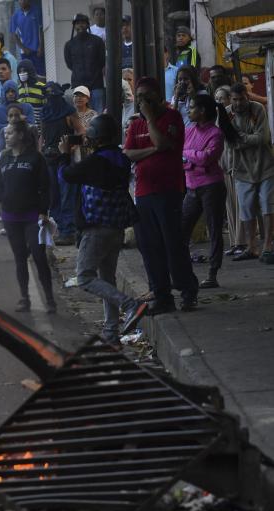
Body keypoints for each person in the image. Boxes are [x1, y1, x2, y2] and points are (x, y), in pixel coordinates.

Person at [58, 114, 146, 344]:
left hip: (96, 228)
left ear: (96, 137)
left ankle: (130, 304)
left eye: (90, 133)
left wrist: (64, 153)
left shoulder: (97, 162)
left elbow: (66, 175)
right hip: (115, 226)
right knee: (107, 278)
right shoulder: (119, 157)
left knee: (85, 277)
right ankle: (111, 333)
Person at [124, 76, 199, 313]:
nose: (143, 100)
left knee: (173, 244)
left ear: (158, 96)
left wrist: (150, 120)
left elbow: (164, 143)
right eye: (140, 96)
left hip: (168, 191)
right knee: (150, 247)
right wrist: (153, 149)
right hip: (143, 192)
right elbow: (128, 153)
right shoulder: (135, 124)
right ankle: (162, 295)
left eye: (148, 95)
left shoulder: (171, 117)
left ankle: (187, 290)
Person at [0, 120, 56, 313]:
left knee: (38, 256)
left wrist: (44, 211)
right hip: (11, 217)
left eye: (10, 133)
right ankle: (24, 297)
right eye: (5, 134)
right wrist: (4, 199)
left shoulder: (35, 158)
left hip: (32, 216)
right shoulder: (4, 158)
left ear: (20, 135)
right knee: (20, 257)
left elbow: (45, 187)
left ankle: (50, 299)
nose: (6, 136)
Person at [181, 94, 239, 287]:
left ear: (202, 111)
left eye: (191, 108)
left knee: (214, 230)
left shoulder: (216, 133)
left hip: (211, 186)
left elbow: (207, 158)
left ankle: (213, 273)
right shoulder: (189, 130)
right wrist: (193, 158)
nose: (188, 111)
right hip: (191, 187)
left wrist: (188, 156)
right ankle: (181, 271)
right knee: (182, 229)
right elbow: (193, 157)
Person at [226, 83, 274, 264]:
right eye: (235, 99)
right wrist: (244, 139)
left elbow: (262, 138)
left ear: (248, 97)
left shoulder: (257, 109)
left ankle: (268, 244)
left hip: (265, 165)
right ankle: (251, 246)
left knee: (267, 204)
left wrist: (239, 138)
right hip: (241, 168)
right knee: (246, 208)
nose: (238, 103)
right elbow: (228, 140)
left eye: (241, 99)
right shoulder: (226, 113)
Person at [39, 82, 84, 245]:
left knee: (67, 194)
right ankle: (59, 229)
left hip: (64, 157)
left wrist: (71, 147)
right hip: (49, 158)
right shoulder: (45, 112)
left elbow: (80, 131)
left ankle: (68, 230)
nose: (52, 100)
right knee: (54, 195)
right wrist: (40, 154)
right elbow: (42, 136)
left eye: (54, 97)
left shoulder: (69, 111)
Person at [214, 86, 246, 256]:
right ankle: (234, 241)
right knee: (230, 205)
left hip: (239, 165)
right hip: (224, 164)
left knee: (240, 204)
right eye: (216, 99)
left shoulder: (233, 115)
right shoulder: (218, 117)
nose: (219, 101)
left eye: (222, 98)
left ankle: (242, 241)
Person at [64, 13, 106, 112]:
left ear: (88, 25)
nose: (80, 25)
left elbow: (102, 61)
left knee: (98, 114)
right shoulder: (69, 45)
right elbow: (69, 64)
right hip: (78, 86)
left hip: (96, 85)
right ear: (74, 26)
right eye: (77, 23)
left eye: (83, 23)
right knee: (81, 115)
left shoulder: (97, 41)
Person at [0, 80, 35, 151]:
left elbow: (31, 126)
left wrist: (7, 125)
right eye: (7, 92)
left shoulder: (27, 107)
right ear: (3, 93)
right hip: (4, 148)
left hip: (25, 147)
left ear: (17, 92)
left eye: (13, 91)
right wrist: (20, 121)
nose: (10, 94)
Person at [10, 0, 45, 77]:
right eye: (20, 0)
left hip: (37, 50)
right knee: (27, 75)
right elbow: (14, 34)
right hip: (25, 52)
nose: (21, 2)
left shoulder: (37, 11)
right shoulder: (15, 16)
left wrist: (41, 47)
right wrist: (23, 48)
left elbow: (41, 30)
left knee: (40, 75)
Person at [17, 59, 46, 128]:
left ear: (30, 71)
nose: (22, 73)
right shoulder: (18, 90)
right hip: (24, 131)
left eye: (24, 71)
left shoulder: (42, 87)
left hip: (40, 128)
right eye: (20, 72)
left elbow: (46, 110)